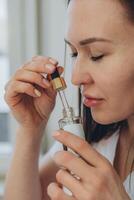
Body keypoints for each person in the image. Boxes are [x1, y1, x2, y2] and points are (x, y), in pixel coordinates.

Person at [4, 0, 134, 199]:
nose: (75, 78)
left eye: (97, 55)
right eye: (74, 53)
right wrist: (30, 128)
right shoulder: (93, 138)